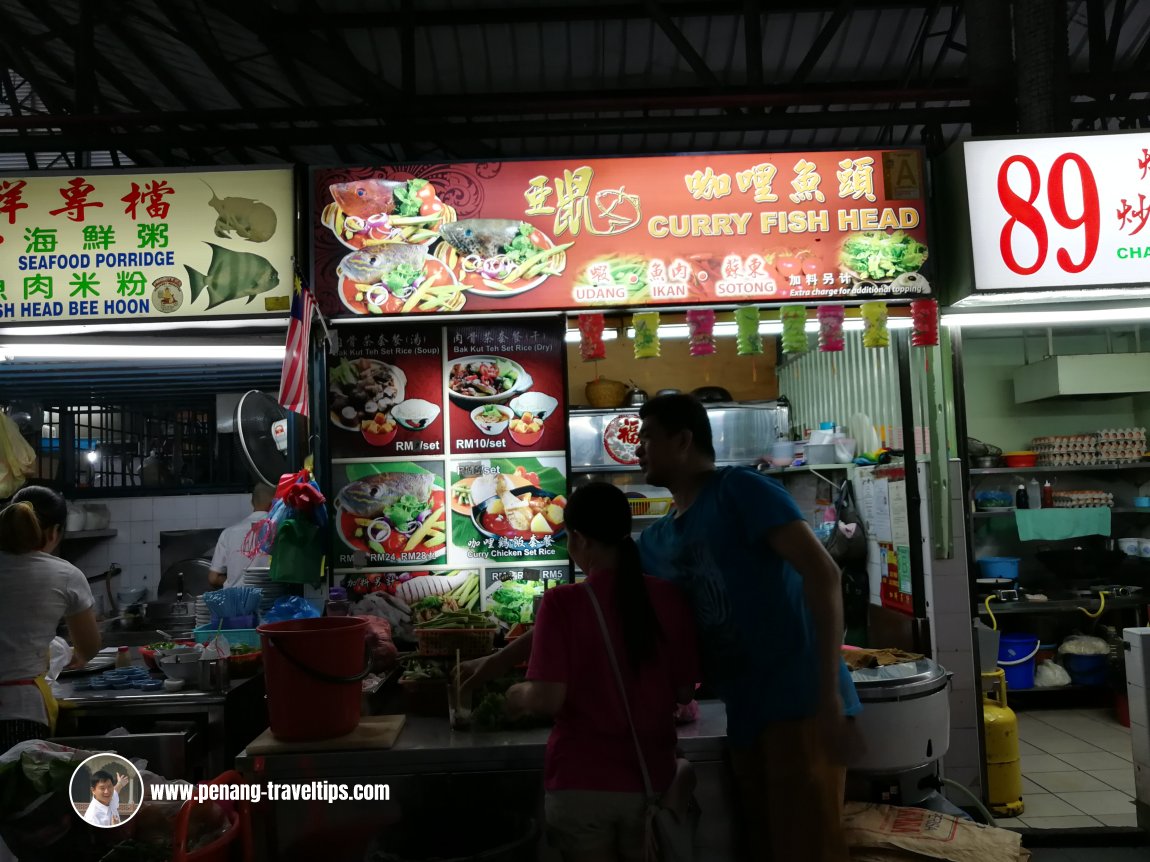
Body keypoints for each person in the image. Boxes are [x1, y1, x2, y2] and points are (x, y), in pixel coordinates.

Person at [635, 393, 860, 862]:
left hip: (800, 703)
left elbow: (824, 574)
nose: (638, 449)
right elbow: (606, 599)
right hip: (744, 711)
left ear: (682, 440)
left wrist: (829, 696)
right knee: (761, 846)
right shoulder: (658, 538)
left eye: (647, 438)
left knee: (807, 848)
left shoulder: (740, 492)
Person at [503, 482, 698, 862]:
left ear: (578, 538)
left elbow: (545, 698)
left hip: (581, 787)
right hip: (650, 783)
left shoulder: (562, 603)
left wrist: (514, 696)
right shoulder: (669, 598)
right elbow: (684, 693)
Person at [0, 486, 101, 751]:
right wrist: (74, 656)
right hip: (21, 711)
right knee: (17, 790)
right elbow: (88, 648)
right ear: (54, 532)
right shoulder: (65, 575)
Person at [208, 483, 275, 589]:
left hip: (236, 601)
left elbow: (214, 578)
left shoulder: (228, 533)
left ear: (252, 502)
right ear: (274, 503)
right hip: (272, 600)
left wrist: (235, 583)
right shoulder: (279, 530)